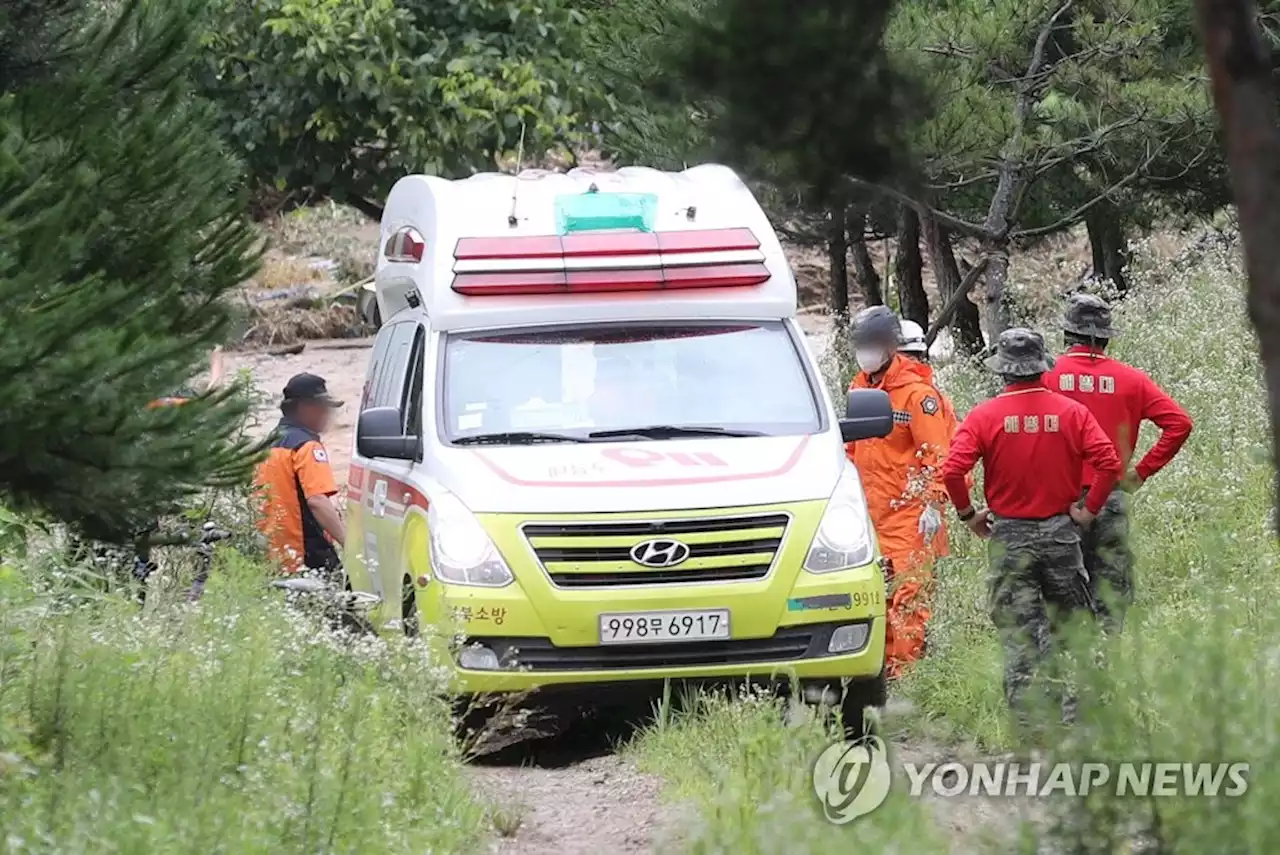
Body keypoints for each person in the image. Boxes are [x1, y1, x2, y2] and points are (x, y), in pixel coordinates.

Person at [941, 329, 1122, 732]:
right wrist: (1089, 510)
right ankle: (1077, 722)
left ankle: (1029, 730)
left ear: (1003, 370)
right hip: (1061, 534)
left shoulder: (984, 416)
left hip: (1010, 540)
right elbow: (1109, 463)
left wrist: (969, 514)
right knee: (1073, 628)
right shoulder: (1072, 412)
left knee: (1021, 635)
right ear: (1042, 367)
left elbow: (952, 471)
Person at [1044, 294, 1193, 632]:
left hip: (1058, 500)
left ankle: (1068, 667)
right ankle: (1106, 668)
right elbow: (1180, 424)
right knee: (1110, 591)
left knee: (1061, 589)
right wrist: (1140, 473)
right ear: (1107, 337)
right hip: (1109, 497)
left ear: (1068, 335)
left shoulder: (1047, 377)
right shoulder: (1132, 379)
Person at [845, 306, 952, 678]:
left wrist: (934, 503)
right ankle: (879, 668)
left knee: (910, 595)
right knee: (877, 593)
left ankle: (903, 674)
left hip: (911, 514)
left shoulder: (918, 396)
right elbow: (850, 450)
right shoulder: (859, 389)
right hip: (869, 514)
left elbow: (938, 455)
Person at [254, 373, 346, 575]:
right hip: (306, 555)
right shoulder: (307, 447)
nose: (327, 415)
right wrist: (348, 542)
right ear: (305, 407)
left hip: (272, 557)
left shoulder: (268, 444)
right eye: (323, 408)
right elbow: (317, 501)